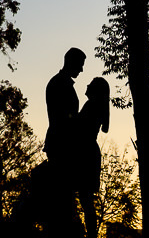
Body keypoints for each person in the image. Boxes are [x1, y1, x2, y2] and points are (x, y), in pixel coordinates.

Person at [44, 48, 87, 237]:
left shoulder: (62, 83)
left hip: (62, 144)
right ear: (71, 62)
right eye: (80, 65)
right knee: (62, 197)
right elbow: (61, 117)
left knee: (65, 196)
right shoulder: (58, 84)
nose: (82, 70)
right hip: (60, 145)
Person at [74, 77, 110, 238]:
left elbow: (79, 127)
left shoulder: (91, 106)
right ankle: (91, 234)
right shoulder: (96, 106)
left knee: (85, 199)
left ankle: (91, 235)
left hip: (85, 153)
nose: (87, 85)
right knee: (86, 199)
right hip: (89, 152)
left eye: (90, 84)